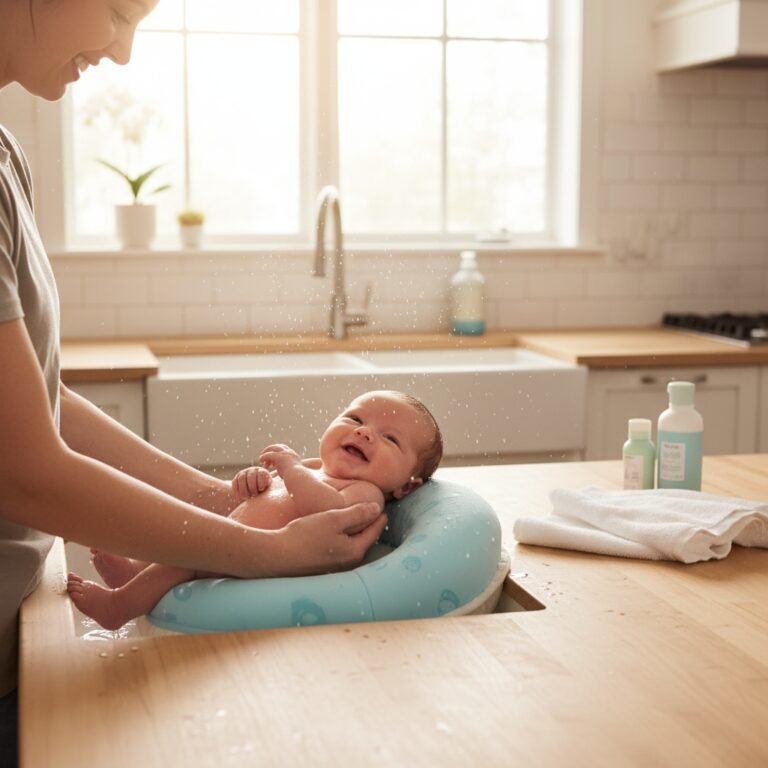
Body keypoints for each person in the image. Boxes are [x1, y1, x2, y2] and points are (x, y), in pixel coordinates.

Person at [0, 2, 387, 761]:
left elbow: (40, 404)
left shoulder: (6, 155)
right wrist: (270, 553)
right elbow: (24, 473)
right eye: (117, 10)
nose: (123, 52)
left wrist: (215, 501)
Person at [67, 390, 444, 630]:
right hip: (238, 543)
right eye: (355, 419)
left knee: (184, 557)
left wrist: (292, 470)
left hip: (258, 568)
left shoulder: (367, 494)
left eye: (390, 439)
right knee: (182, 543)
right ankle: (135, 576)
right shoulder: (316, 469)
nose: (364, 433)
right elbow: (264, 498)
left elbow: (326, 509)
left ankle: (118, 607)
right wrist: (252, 481)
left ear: (407, 485)